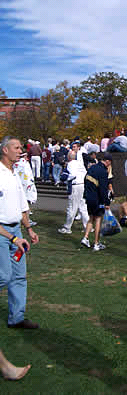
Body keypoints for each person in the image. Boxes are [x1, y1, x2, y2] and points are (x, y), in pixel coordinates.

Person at [0, 136, 39, 329]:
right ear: (5, 150)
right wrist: (13, 238)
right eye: (16, 147)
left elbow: (22, 206)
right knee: (4, 276)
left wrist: (29, 229)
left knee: (19, 276)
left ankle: (16, 318)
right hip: (2, 233)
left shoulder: (15, 173)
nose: (20, 150)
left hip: (16, 231)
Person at [81, 152, 113, 251]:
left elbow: (85, 180)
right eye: (110, 163)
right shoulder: (103, 172)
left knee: (91, 218)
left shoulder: (91, 168)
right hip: (97, 200)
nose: (110, 165)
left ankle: (85, 238)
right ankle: (96, 243)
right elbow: (103, 189)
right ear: (107, 161)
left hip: (88, 197)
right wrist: (107, 202)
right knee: (98, 220)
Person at [58, 151, 89, 235]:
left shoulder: (70, 164)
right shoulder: (80, 164)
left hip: (75, 185)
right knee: (83, 206)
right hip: (82, 184)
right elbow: (85, 173)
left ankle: (67, 227)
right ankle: (88, 226)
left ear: (68, 157)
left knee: (72, 207)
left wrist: (66, 179)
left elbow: (73, 174)